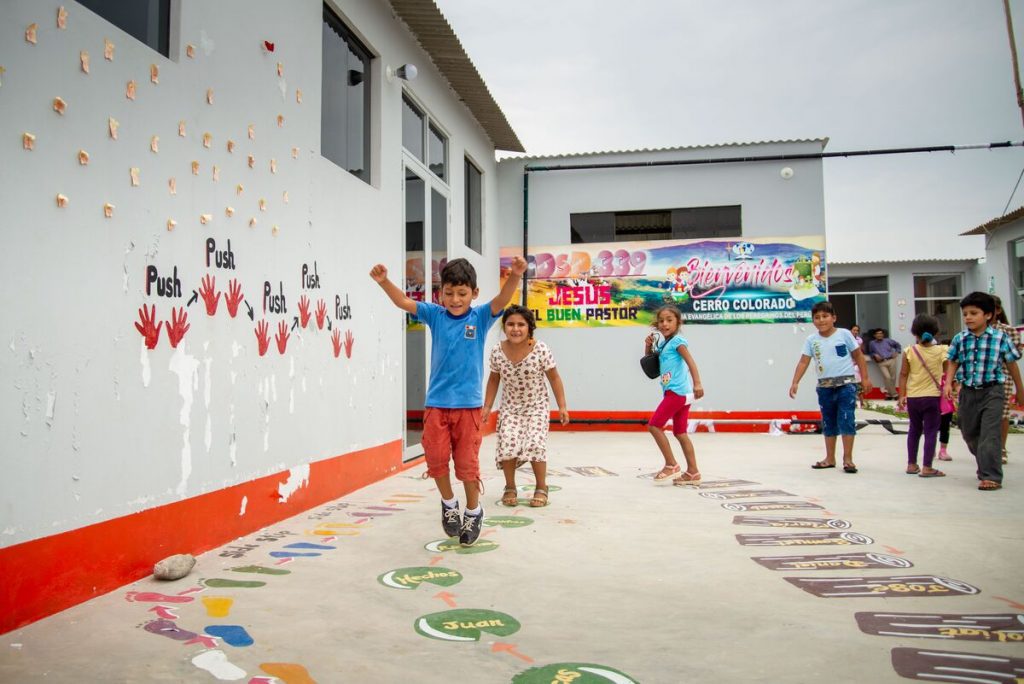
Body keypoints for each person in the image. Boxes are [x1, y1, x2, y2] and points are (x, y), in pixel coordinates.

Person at [369, 255, 527, 545]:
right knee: (437, 460)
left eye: (462, 293)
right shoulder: (434, 315)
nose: (455, 299)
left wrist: (515, 274)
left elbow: (502, 299)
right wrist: (383, 282)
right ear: (440, 293)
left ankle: (473, 510)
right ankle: (449, 504)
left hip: (468, 408)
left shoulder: (479, 318)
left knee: (467, 464)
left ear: (474, 293)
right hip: (437, 405)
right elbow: (403, 302)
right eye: (449, 293)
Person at [482, 305, 569, 508]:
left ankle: (541, 487)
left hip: (536, 406)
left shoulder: (541, 349)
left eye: (521, 324)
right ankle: (510, 487)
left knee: (535, 444)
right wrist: (487, 407)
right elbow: (493, 380)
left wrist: (562, 406)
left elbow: (554, 378)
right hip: (510, 407)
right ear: (504, 327)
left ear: (529, 327)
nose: (515, 329)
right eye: (510, 324)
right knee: (507, 444)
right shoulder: (497, 351)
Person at [944, 292, 1024, 491]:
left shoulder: (1000, 338)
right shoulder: (960, 338)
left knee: (990, 434)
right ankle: (986, 463)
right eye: (965, 314)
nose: (968, 317)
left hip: (993, 391)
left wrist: (1020, 389)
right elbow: (953, 360)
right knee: (968, 431)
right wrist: (948, 383)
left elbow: (1011, 364)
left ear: (988, 315)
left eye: (974, 313)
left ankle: (991, 476)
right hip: (968, 392)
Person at [789, 301, 872, 473]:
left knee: (847, 420)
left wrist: (865, 378)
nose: (821, 320)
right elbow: (804, 361)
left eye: (825, 316)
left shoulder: (844, 334)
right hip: (825, 387)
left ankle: (848, 459)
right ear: (813, 320)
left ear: (834, 318)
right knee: (828, 422)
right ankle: (829, 458)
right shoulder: (811, 340)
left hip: (846, 386)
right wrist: (795, 381)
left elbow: (858, 356)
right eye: (817, 317)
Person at [643, 304, 704, 486]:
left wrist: (698, 383)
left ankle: (671, 464)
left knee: (654, 426)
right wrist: (647, 347)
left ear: (678, 322)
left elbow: (691, 362)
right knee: (680, 432)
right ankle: (693, 472)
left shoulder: (678, 342)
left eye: (669, 320)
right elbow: (651, 366)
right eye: (661, 321)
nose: (665, 324)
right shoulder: (663, 344)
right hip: (677, 393)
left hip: (677, 393)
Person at [896, 314, 948, 477]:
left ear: (914, 332)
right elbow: (948, 372)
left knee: (914, 429)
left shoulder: (909, 351)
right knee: (931, 431)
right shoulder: (942, 350)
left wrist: (902, 395)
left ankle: (911, 464)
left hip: (913, 397)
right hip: (932, 397)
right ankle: (927, 467)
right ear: (936, 332)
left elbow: (903, 374)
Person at [992, 296, 1024, 464]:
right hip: (979, 379)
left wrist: (1020, 389)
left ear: (998, 310)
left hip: (1003, 377)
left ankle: (1001, 448)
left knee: (1002, 414)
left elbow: (1015, 358)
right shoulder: (973, 331)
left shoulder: (1008, 331)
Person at [868, 328, 902, 400]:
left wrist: (897, 352)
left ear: (883, 334)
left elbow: (898, 345)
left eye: (881, 333)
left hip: (891, 360)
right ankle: (895, 394)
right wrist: (874, 355)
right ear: (874, 335)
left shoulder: (888, 341)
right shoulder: (872, 343)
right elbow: (870, 353)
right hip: (881, 363)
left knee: (893, 378)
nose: (879, 335)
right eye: (878, 334)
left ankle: (889, 394)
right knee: (887, 377)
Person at [851, 324, 865, 407]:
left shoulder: (859, 340)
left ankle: (862, 402)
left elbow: (859, 352)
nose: (855, 332)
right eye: (854, 330)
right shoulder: (846, 339)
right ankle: (853, 402)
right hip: (848, 364)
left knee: (858, 383)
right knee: (850, 384)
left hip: (856, 364)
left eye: (857, 330)